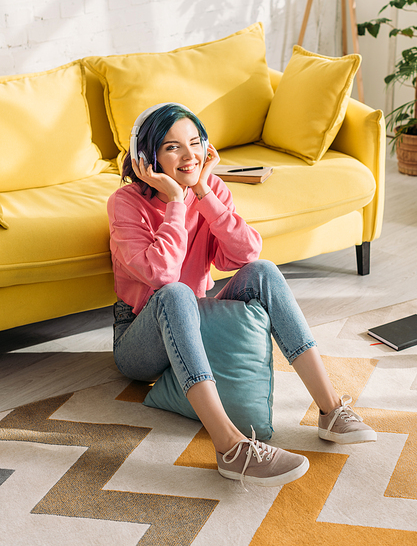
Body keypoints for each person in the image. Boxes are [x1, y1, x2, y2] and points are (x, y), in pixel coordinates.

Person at [107, 102, 377, 488]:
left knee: (263, 271)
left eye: (196, 142)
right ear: (145, 158)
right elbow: (161, 275)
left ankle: (331, 409)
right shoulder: (125, 204)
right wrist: (176, 205)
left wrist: (202, 192)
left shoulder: (208, 189)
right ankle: (231, 448)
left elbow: (246, 254)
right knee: (176, 292)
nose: (190, 156)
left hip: (195, 320)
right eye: (172, 147)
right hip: (140, 339)